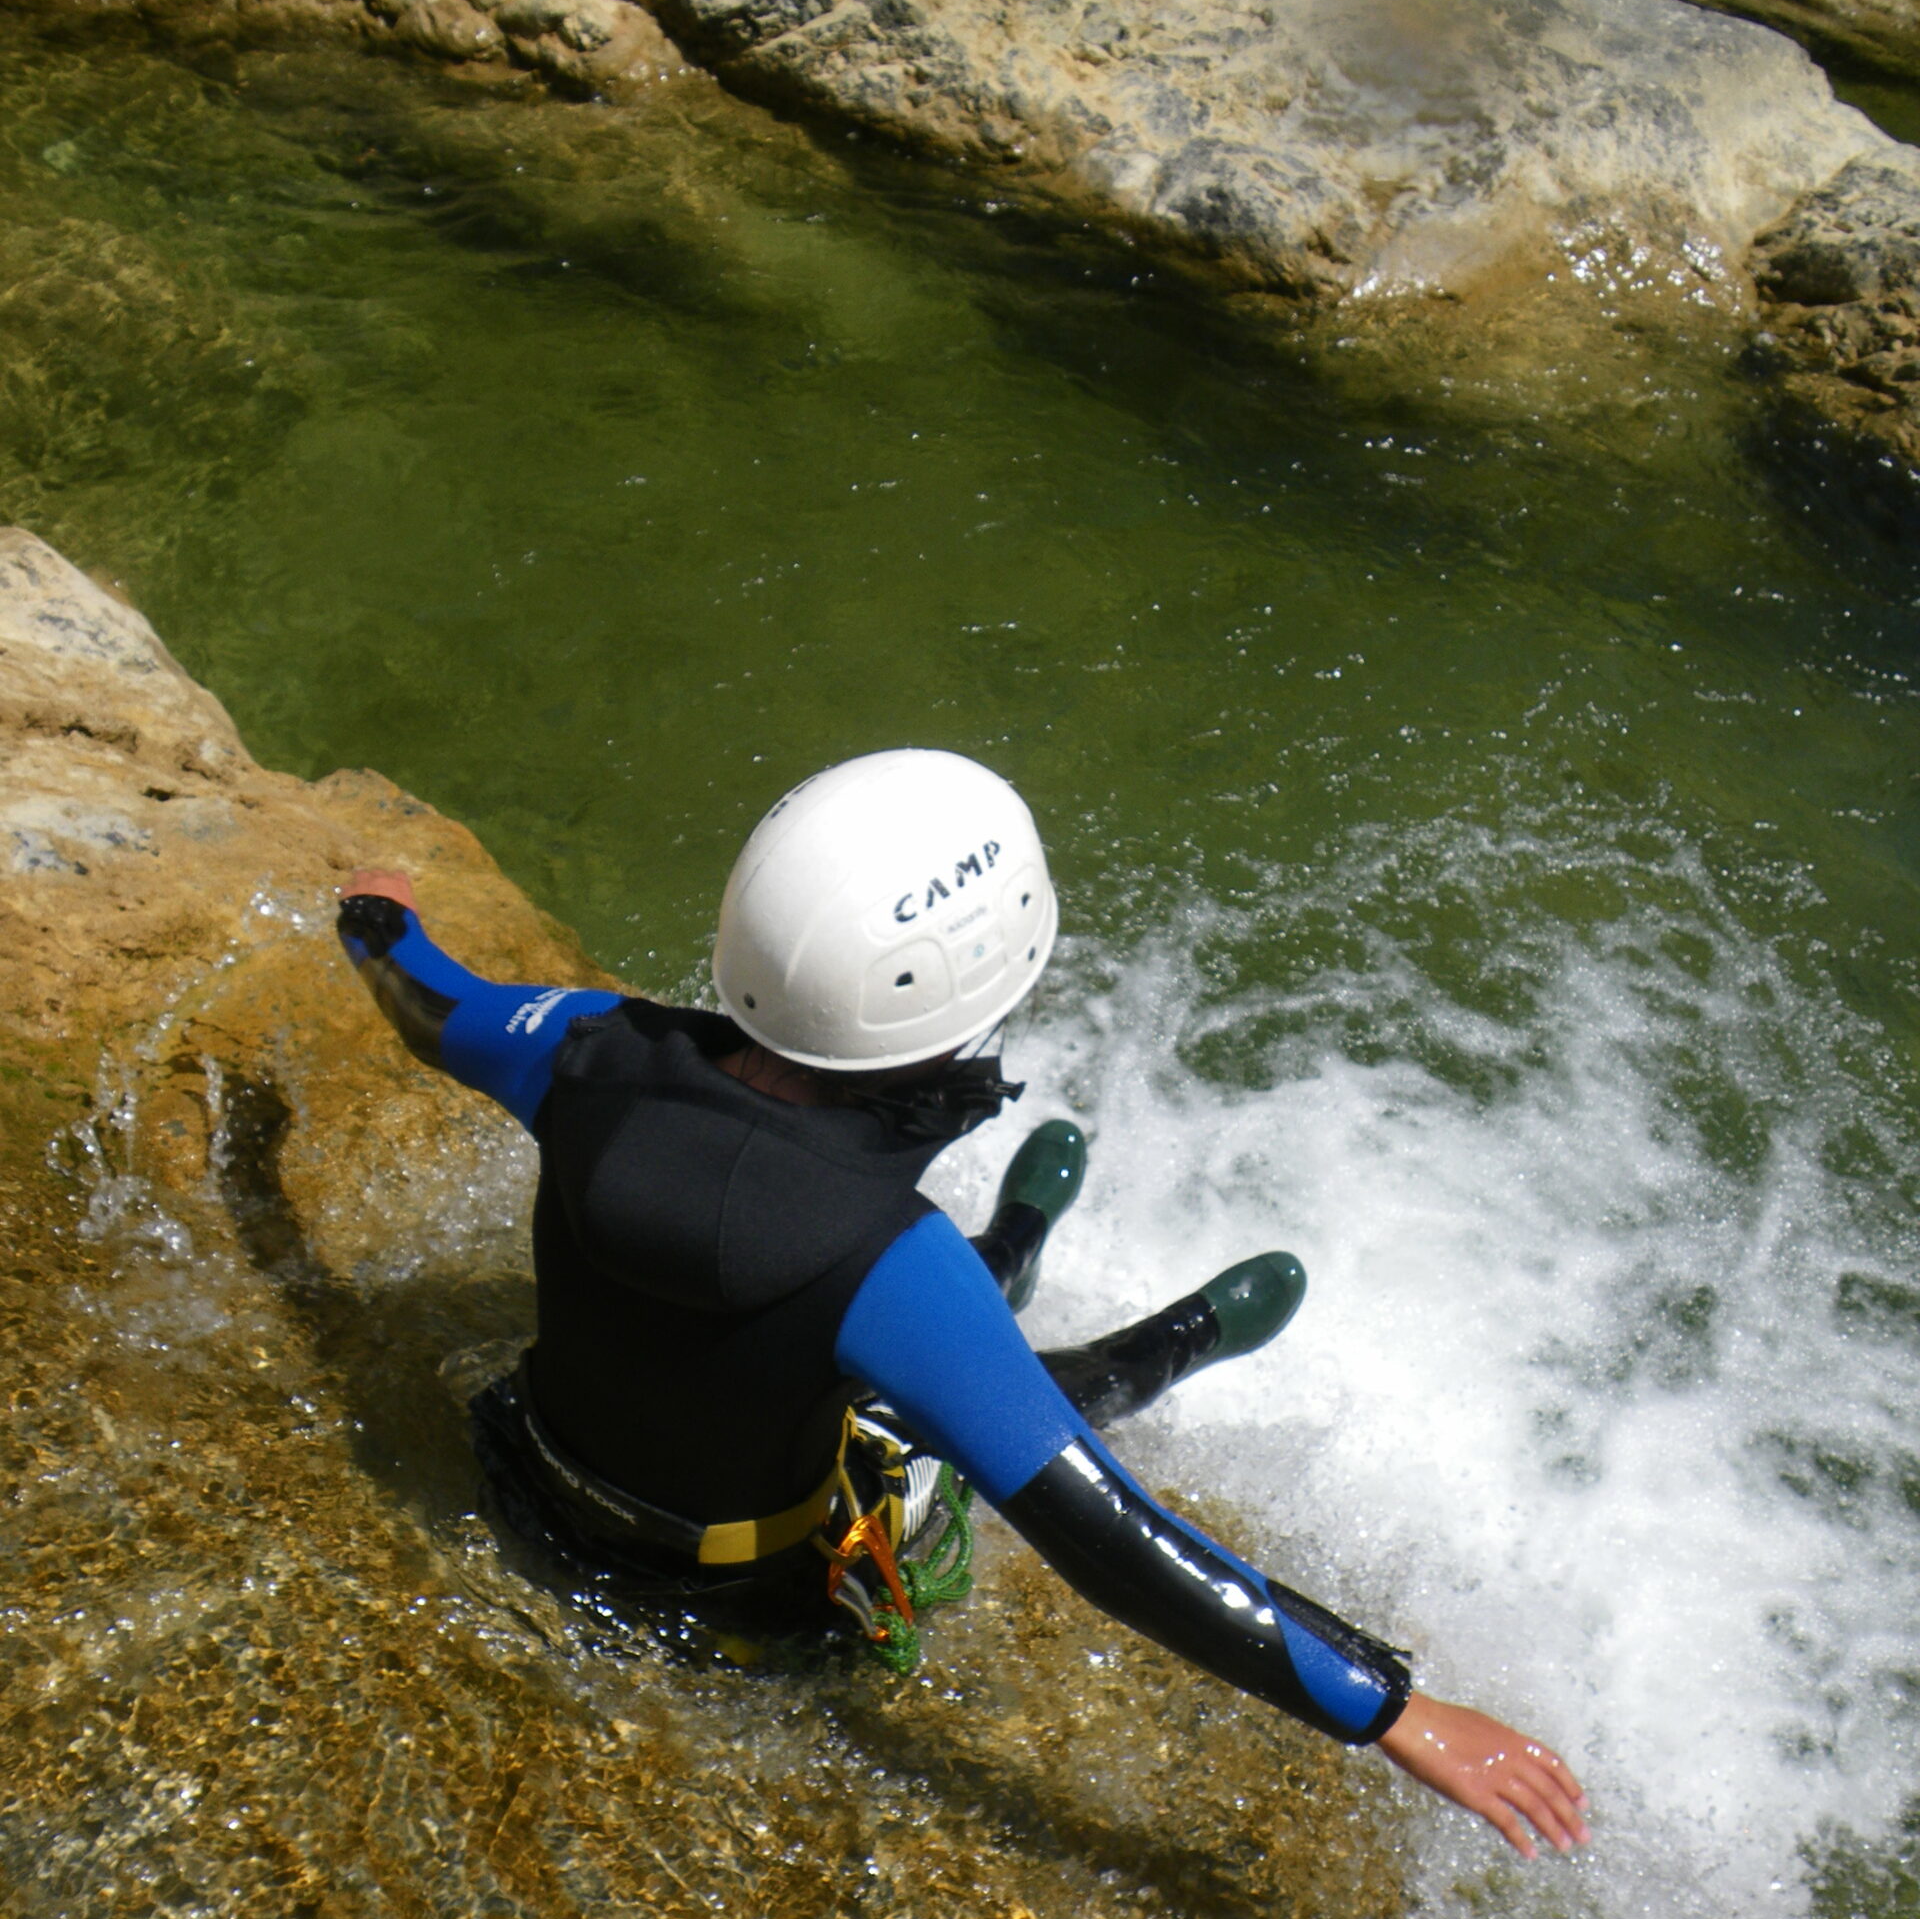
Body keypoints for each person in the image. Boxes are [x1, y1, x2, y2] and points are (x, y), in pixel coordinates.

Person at [337, 749, 1588, 1861]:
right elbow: (1112, 1536)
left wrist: (376, 914)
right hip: (728, 1604)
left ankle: (1022, 1238)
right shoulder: (892, 1260)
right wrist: (1396, 1708)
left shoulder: (577, 1046)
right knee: (1007, 1402)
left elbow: (422, 999)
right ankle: (1170, 1331)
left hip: (523, 1478)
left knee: (911, 1344)